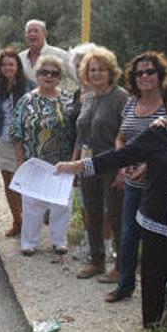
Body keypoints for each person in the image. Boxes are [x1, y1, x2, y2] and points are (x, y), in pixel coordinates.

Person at [57, 72, 167, 328]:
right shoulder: (157, 134)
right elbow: (122, 156)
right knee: (153, 274)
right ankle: (151, 327)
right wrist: (78, 166)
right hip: (158, 218)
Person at [104, 51, 167, 303]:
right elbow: (121, 136)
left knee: (158, 238)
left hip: (158, 184)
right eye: (139, 72)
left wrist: (148, 165)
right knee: (128, 235)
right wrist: (121, 163)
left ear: (160, 74)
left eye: (150, 71)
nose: (144, 76)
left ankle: (162, 291)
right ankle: (125, 285)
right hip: (132, 182)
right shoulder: (131, 102)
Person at [71, 45, 128, 282]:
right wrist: (74, 162)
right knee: (91, 212)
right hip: (87, 163)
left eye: (101, 70)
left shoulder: (121, 97)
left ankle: (121, 266)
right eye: (92, 70)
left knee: (115, 215)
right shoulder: (88, 98)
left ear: (111, 72)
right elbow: (81, 133)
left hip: (111, 163)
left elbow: (126, 135)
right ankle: (97, 261)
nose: (96, 74)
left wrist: (124, 168)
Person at [10, 55, 75, 256]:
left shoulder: (68, 99)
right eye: (44, 72)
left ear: (60, 77)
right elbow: (16, 131)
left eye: (54, 73)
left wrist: (74, 160)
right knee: (32, 203)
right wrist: (20, 160)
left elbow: (77, 131)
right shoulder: (27, 100)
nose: (49, 76)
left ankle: (59, 240)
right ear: (37, 75)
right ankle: (29, 242)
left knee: (62, 203)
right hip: (35, 160)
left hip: (63, 161)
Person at [0, 49, 36, 237]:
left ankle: (28, 223)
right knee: (8, 182)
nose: (7, 68)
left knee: (23, 184)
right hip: (3, 138)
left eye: (11, 64)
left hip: (23, 143)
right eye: (4, 65)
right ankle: (17, 221)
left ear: (18, 66)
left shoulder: (29, 87)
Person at [18, 19, 76, 87]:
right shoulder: (20, 57)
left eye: (36, 31)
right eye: (29, 31)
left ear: (45, 34)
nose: (32, 34)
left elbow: (76, 77)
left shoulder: (60, 55)